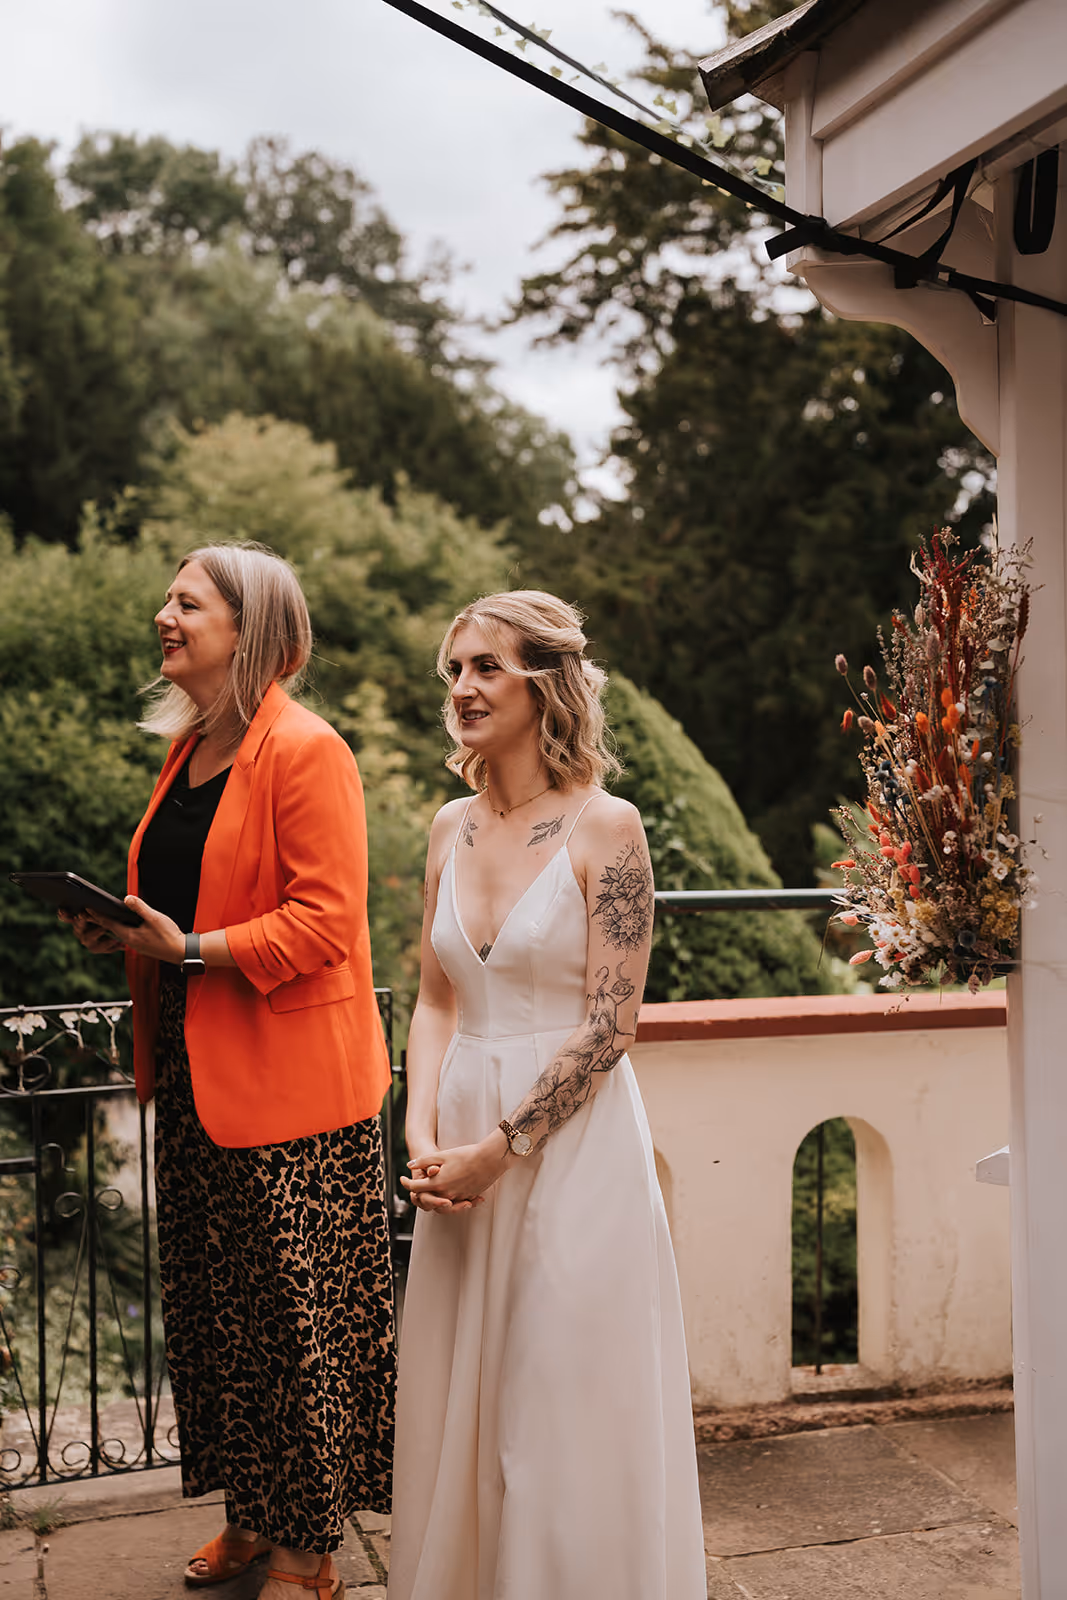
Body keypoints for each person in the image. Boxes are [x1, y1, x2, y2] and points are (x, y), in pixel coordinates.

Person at [61, 542, 395, 1600]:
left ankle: (311, 1551)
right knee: (219, 1315)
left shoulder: (307, 750)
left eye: (187, 602)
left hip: (290, 1088)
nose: (164, 614)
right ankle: (252, 1519)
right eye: (168, 599)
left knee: (295, 1326)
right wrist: (124, 935)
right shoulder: (190, 753)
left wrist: (190, 950)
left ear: (249, 633)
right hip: (195, 1077)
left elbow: (327, 923)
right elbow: (185, 908)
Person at [387, 591, 706, 1600]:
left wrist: (501, 1146)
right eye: (453, 670)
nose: (462, 688)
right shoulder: (446, 826)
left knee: (557, 1403)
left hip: (569, 1151)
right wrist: (421, 1121)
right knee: (463, 1404)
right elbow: (435, 998)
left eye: (485, 666)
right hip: (462, 1144)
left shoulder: (607, 828)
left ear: (543, 680)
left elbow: (611, 1023)